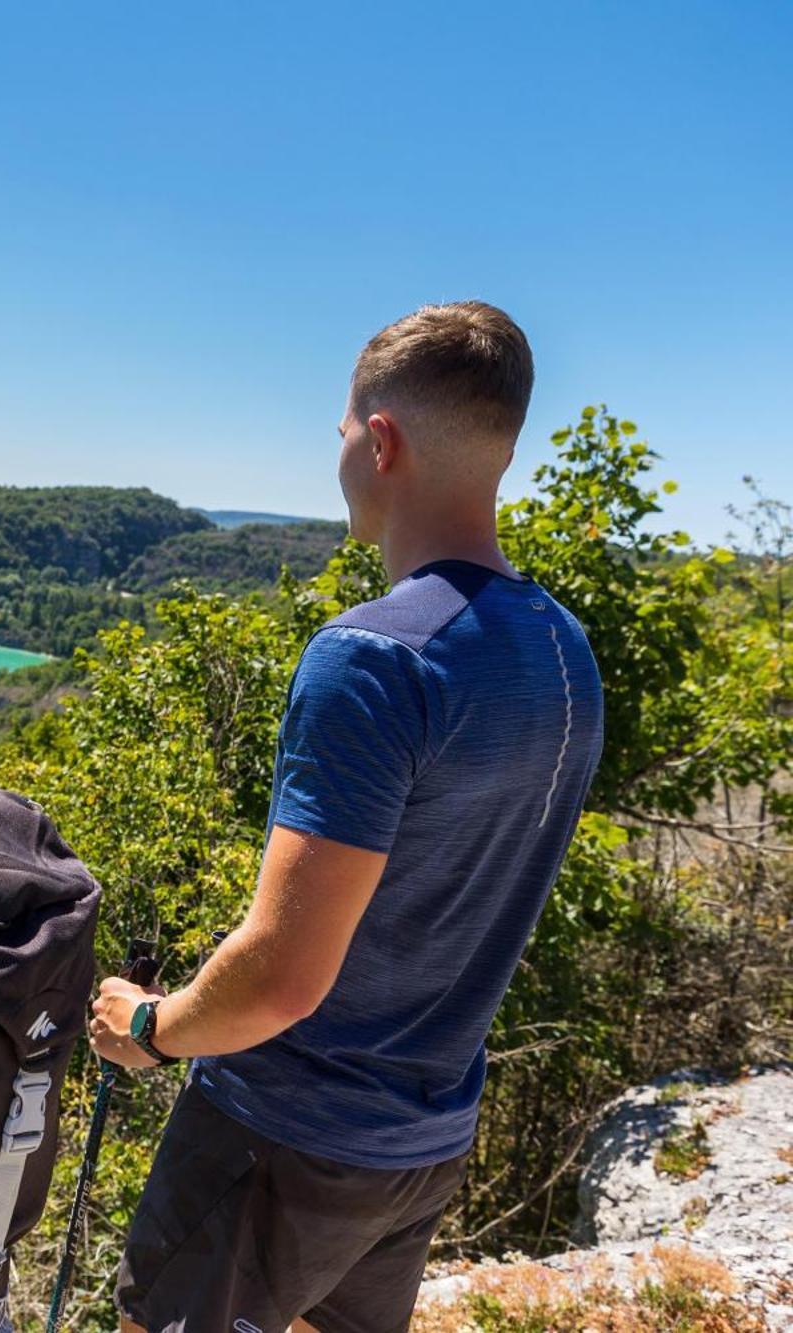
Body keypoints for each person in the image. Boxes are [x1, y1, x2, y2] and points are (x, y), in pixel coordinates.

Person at [88, 301, 605, 1333]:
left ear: (380, 441)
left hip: (281, 1138)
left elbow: (283, 975)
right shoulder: (561, 649)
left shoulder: (371, 658)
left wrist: (148, 1027)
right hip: (418, 1147)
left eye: (338, 433)